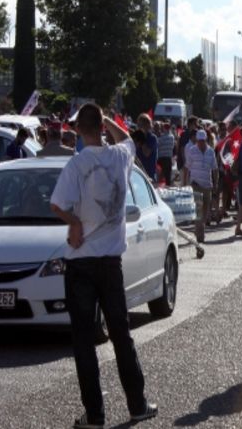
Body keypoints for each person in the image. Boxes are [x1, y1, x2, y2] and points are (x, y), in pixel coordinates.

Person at [49, 104, 157, 428]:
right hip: (111, 263)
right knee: (121, 335)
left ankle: (95, 415)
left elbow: (56, 204)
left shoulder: (77, 164)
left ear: (79, 130)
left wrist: (73, 222)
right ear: (102, 126)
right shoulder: (120, 157)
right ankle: (137, 405)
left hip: (81, 262)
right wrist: (108, 119)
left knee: (84, 341)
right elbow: (127, 138)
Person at [184, 130, 218, 243]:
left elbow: (214, 168)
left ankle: (198, 229)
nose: (201, 143)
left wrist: (215, 183)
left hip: (207, 184)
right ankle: (200, 236)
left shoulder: (211, 152)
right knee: (198, 210)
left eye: (203, 141)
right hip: (195, 184)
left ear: (206, 140)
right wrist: (185, 183)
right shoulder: (192, 150)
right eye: (199, 141)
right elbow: (187, 167)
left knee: (205, 211)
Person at [135, 114, 158, 182]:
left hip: (149, 175)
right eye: (138, 125)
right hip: (138, 173)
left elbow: (146, 153)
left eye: (141, 125)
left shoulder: (152, 138)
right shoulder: (137, 137)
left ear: (147, 125)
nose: (139, 127)